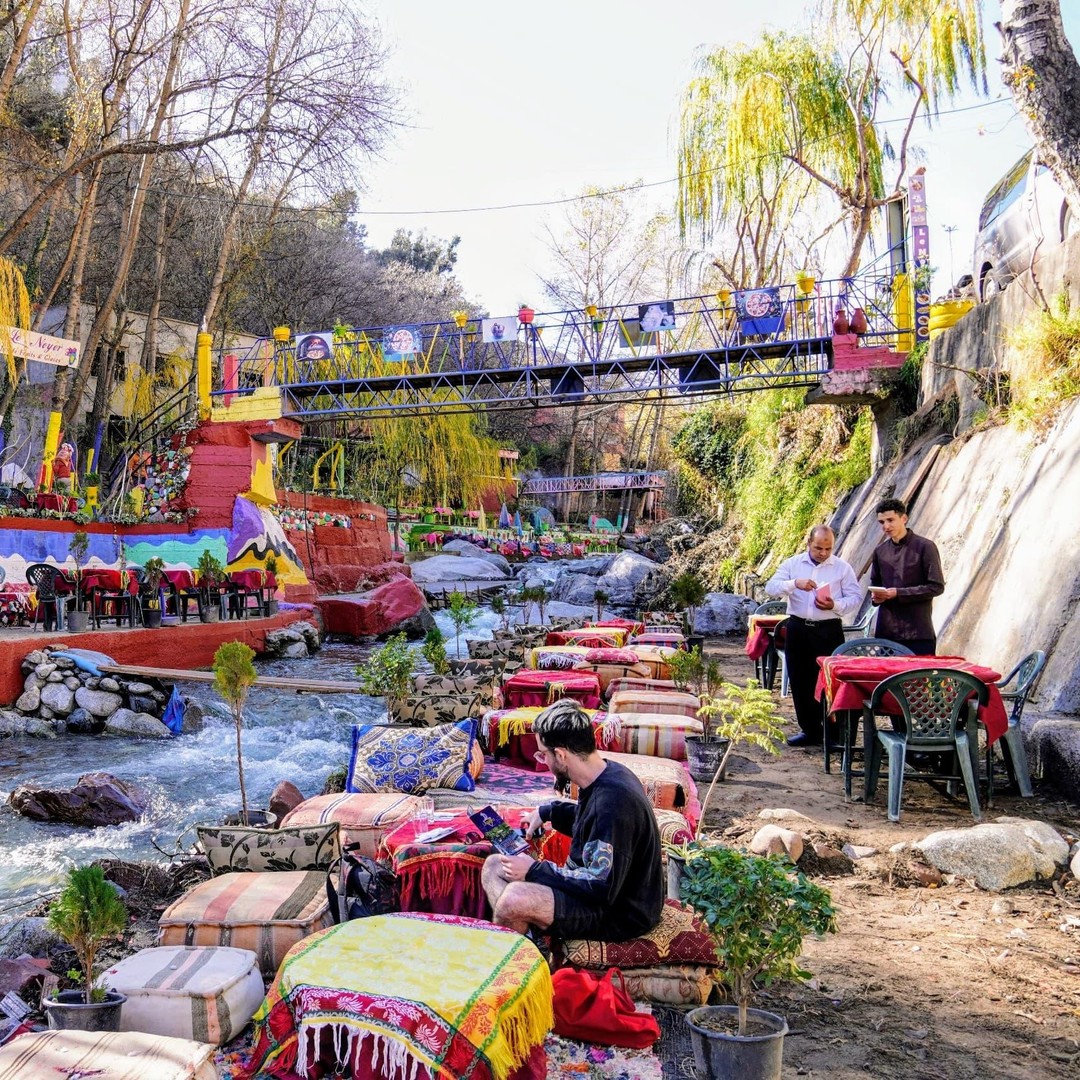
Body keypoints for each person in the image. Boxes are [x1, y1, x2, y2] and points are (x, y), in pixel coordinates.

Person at [481, 699, 663, 942]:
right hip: (597, 891)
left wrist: (534, 870)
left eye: (542, 754)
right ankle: (528, 938)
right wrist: (548, 812)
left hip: (619, 912)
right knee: (494, 866)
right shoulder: (606, 774)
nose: (541, 761)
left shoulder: (612, 803)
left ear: (560, 754)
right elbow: (589, 821)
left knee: (513, 899)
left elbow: (601, 886)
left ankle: (519, 966)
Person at [765, 525, 861, 747]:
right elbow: (771, 587)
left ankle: (834, 732)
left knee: (829, 681)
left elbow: (855, 597)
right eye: (818, 548)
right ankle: (809, 730)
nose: (823, 553)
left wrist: (834, 604)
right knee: (800, 680)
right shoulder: (793, 564)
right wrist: (794, 584)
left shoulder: (842, 568)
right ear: (809, 543)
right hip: (798, 628)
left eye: (828, 548)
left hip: (828, 629)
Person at [869, 497, 944, 655]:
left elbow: (936, 587)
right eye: (881, 522)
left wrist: (898, 593)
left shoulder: (925, 547)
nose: (886, 526)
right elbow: (875, 585)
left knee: (921, 679)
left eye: (890, 520)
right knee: (886, 680)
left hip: (918, 632)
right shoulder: (880, 552)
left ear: (904, 518)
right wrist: (876, 598)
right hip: (886, 632)